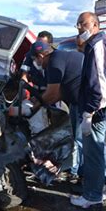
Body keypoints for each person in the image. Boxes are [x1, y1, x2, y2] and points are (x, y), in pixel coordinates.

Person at [69, 11, 106, 209]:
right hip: (102, 110)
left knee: (92, 154)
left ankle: (92, 195)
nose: (79, 27)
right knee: (98, 149)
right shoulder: (95, 45)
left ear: (95, 24)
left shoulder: (97, 45)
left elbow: (100, 85)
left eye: (83, 23)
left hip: (97, 112)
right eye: (77, 24)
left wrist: (89, 112)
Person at [28, 41, 84, 178]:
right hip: (78, 102)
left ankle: (82, 175)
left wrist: (32, 109)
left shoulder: (54, 62)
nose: (36, 62)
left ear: (41, 56)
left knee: (80, 141)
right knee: (77, 139)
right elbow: (57, 93)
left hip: (85, 103)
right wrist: (39, 101)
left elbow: (53, 93)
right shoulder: (59, 57)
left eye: (35, 59)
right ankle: (79, 173)